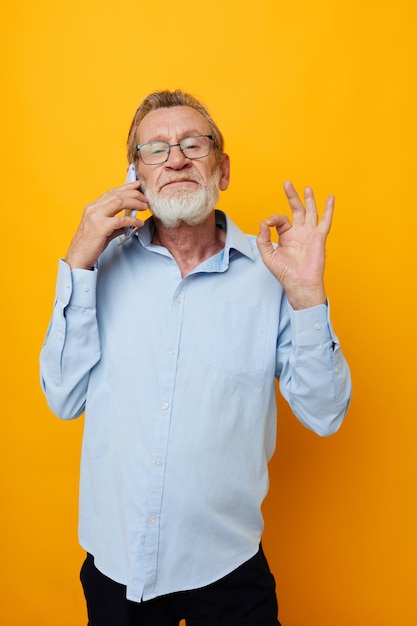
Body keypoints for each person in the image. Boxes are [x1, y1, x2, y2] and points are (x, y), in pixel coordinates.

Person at [40, 89, 351, 626]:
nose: (176, 158)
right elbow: (63, 399)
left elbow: (325, 413)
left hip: (229, 572)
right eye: (155, 149)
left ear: (222, 169)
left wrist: (307, 297)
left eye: (193, 144)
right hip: (118, 568)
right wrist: (76, 264)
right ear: (135, 173)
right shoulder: (98, 268)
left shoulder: (273, 272)